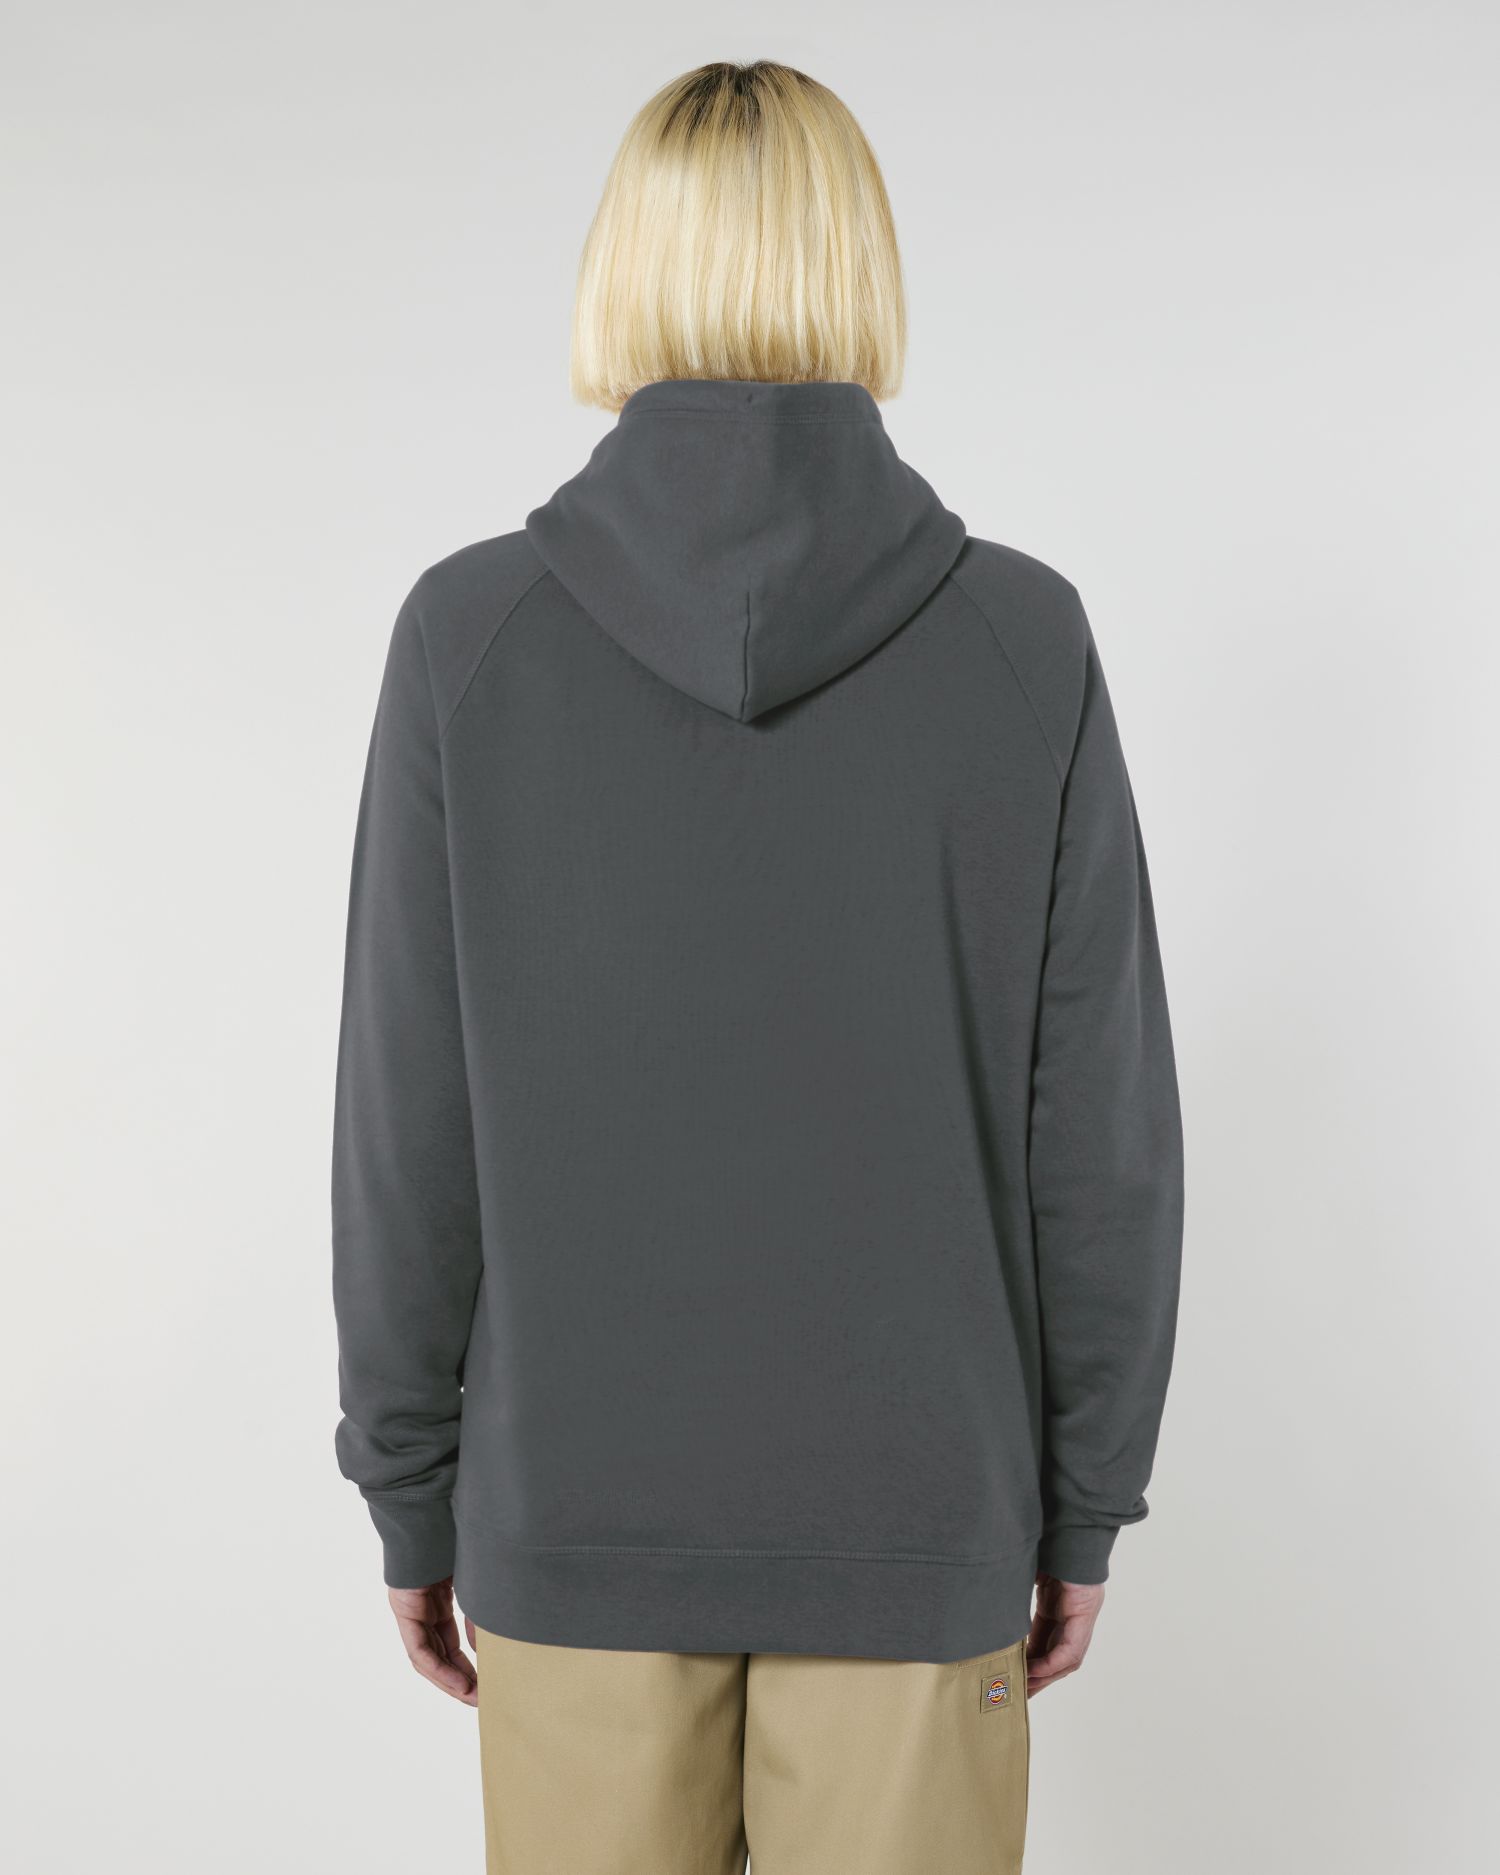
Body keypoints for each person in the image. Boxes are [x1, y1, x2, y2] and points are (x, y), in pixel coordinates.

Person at [331, 58, 1183, 1875]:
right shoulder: (1020, 642)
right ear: (860, 265)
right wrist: (1082, 1503)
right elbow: (1098, 1139)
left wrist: (411, 1490)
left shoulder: (473, 641)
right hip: (920, 1529)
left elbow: (408, 1122)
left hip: (573, 1531)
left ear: (620, 267)